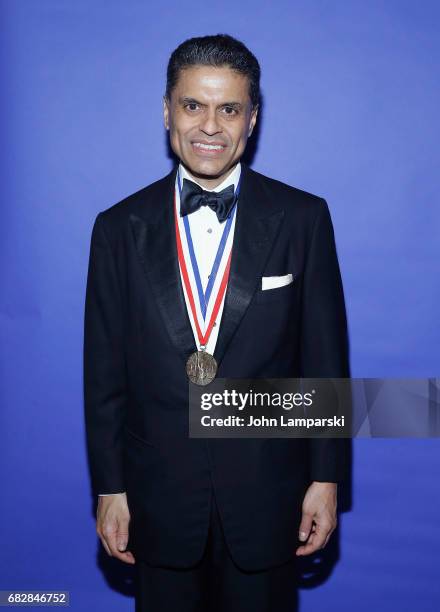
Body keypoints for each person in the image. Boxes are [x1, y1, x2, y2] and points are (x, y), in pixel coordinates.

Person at [83, 33, 349, 612]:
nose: (210, 126)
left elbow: (324, 361)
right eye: (192, 105)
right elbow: (104, 376)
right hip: (156, 498)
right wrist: (110, 488)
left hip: (268, 496)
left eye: (229, 108)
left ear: (252, 119)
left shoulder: (304, 218)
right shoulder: (117, 228)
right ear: (166, 112)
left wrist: (326, 481)